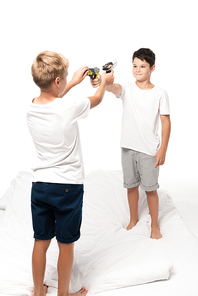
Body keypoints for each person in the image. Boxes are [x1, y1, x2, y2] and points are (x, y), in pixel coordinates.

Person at [26, 50, 114, 296]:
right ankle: (63, 294)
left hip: (40, 186)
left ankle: (38, 291)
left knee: (40, 241)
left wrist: (73, 81)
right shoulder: (69, 107)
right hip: (68, 187)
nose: (66, 79)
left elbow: (55, 98)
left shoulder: (31, 108)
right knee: (66, 245)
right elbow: (96, 99)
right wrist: (104, 82)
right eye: (64, 76)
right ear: (57, 81)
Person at [91, 48, 171, 239]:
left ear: (152, 68)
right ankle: (133, 219)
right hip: (128, 148)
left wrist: (163, 150)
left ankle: (155, 225)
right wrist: (102, 81)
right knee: (131, 186)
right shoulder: (126, 87)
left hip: (149, 150)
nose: (138, 69)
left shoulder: (160, 93)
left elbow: (166, 122)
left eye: (142, 66)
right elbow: (112, 88)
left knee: (151, 190)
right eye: (135, 65)